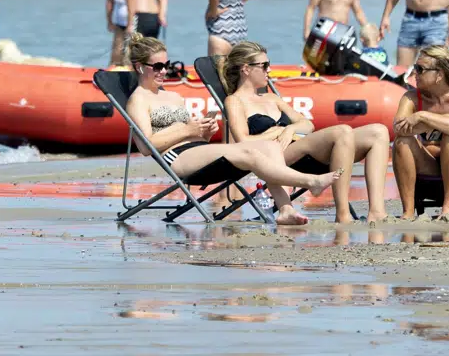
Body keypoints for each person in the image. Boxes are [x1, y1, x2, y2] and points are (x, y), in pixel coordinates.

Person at [124, 33, 338, 224]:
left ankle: (286, 209)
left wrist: (203, 131)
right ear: (139, 67)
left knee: (269, 147)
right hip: (176, 157)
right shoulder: (138, 100)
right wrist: (188, 130)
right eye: (158, 67)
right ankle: (311, 181)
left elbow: (194, 136)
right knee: (249, 151)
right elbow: (146, 146)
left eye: (166, 65)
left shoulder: (174, 96)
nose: (164, 71)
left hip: (197, 149)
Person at [220, 40, 390, 224]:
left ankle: (377, 212)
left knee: (378, 132)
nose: (269, 70)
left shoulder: (271, 98)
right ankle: (343, 215)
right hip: (276, 155)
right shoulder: (234, 101)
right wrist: (278, 132)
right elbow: (243, 141)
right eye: (264, 65)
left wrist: (291, 128)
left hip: (300, 146)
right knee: (342, 131)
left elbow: (307, 124)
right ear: (246, 69)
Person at [391, 46, 449, 220]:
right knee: (401, 141)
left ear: (439, 75)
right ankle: (408, 212)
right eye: (415, 67)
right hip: (431, 166)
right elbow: (399, 128)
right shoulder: (411, 98)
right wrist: (441, 122)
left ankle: (448, 209)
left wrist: (423, 117)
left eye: (420, 69)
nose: (415, 73)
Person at [106, 0, 132, 66]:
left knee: (130, 54)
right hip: (120, 23)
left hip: (134, 23)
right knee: (116, 53)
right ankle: (112, 75)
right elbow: (109, 1)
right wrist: (109, 21)